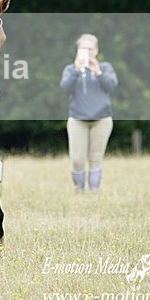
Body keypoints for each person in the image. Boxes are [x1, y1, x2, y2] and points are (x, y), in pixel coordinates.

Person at [59, 33, 118, 192]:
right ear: (78, 50)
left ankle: (94, 191)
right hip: (78, 119)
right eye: (83, 48)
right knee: (77, 159)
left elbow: (111, 86)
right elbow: (65, 88)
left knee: (96, 157)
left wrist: (98, 72)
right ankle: (79, 189)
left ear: (96, 50)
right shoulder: (71, 69)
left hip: (102, 119)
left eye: (90, 48)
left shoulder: (105, 68)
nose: (87, 51)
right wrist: (77, 70)